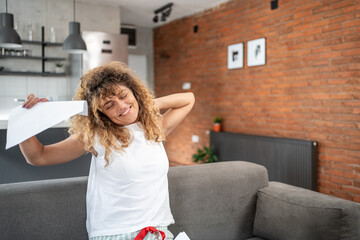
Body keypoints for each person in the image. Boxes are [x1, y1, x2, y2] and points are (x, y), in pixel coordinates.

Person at [19, 61, 195, 240]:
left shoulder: (154, 128)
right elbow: (37, 156)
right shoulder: (96, 137)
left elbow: (188, 99)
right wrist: (26, 120)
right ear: (100, 114)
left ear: (134, 92)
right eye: (109, 105)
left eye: (123, 95)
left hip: (158, 232)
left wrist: (146, 104)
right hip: (116, 234)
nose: (121, 105)